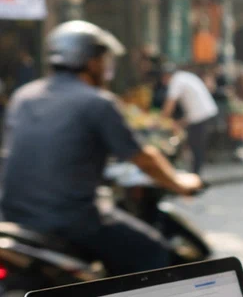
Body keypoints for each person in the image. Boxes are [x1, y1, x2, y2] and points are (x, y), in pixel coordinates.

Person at [0, 21, 201, 275]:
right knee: (154, 252)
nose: (106, 67)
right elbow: (143, 158)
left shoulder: (23, 97)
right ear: (92, 62)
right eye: (104, 60)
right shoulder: (97, 102)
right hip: (70, 221)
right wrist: (180, 184)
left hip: (13, 217)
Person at [162, 64, 219, 175]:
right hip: (203, 114)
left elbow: (170, 103)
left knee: (196, 145)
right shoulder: (185, 77)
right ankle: (195, 173)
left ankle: (195, 175)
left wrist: (161, 119)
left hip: (201, 116)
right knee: (195, 145)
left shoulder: (177, 80)